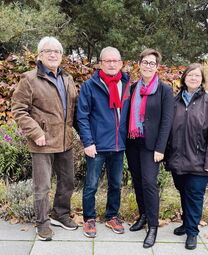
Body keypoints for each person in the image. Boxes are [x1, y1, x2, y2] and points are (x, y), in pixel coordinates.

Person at [12, 37, 78, 241]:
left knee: (67, 181)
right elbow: (19, 110)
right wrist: (36, 133)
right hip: (42, 141)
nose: (53, 54)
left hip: (65, 141)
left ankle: (60, 213)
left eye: (57, 51)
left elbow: (72, 109)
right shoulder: (30, 79)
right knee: (42, 186)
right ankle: (42, 223)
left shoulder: (67, 78)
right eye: (48, 51)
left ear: (61, 55)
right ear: (40, 55)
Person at [165, 63, 208, 250]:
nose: (193, 78)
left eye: (197, 76)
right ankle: (185, 223)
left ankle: (192, 232)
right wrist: (167, 156)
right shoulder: (174, 102)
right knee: (184, 192)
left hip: (200, 162)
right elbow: (167, 130)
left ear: (202, 80)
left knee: (195, 195)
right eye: (190, 75)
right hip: (178, 160)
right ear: (184, 78)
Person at [77, 47, 131, 238]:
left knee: (115, 184)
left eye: (115, 61)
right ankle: (89, 219)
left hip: (119, 145)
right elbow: (82, 116)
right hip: (97, 146)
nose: (111, 64)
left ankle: (112, 216)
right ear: (100, 63)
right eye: (107, 61)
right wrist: (88, 142)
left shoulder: (127, 84)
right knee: (91, 184)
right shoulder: (90, 86)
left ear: (121, 63)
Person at [125, 49, 174, 248]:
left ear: (157, 67)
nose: (147, 66)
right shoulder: (133, 87)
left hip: (152, 146)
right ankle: (143, 215)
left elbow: (167, 121)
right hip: (133, 141)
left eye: (152, 63)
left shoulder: (164, 89)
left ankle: (153, 226)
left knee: (149, 183)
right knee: (137, 181)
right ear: (139, 64)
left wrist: (160, 148)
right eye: (145, 62)